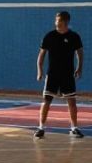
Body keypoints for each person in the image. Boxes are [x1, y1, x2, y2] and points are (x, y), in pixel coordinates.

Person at [35, 10, 85, 139]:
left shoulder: (74, 37)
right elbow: (41, 55)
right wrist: (40, 70)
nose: (55, 22)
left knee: (72, 102)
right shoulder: (49, 36)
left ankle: (74, 128)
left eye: (58, 20)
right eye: (55, 19)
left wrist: (79, 68)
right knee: (46, 101)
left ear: (65, 22)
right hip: (52, 74)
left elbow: (79, 53)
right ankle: (41, 128)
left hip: (67, 75)